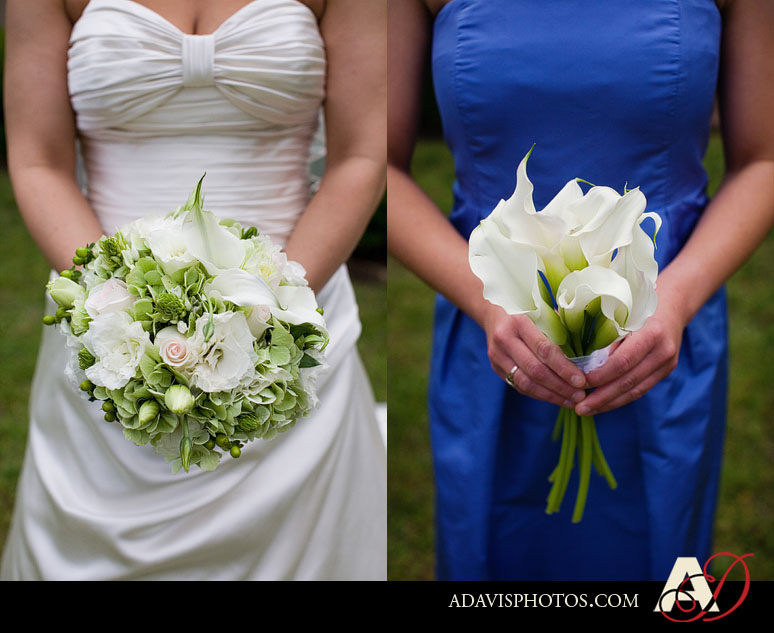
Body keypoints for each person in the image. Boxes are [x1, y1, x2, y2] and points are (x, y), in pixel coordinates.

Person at [388, 0, 774, 580]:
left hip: (663, 317)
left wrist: (676, 297)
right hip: (492, 321)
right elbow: (378, 164)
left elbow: (764, 159)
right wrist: (484, 298)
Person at [1, 0, 386, 580]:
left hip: (297, 300)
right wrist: (118, 305)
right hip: (109, 322)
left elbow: (360, 155)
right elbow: (38, 162)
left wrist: (271, 315)